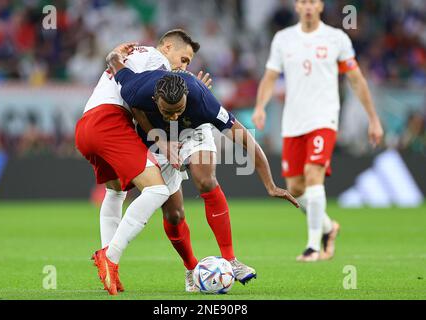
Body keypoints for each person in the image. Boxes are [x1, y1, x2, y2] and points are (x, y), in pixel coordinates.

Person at [105, 49, 300, 285]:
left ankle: (231, 260)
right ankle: (191, 269)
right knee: (174, 214)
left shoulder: (202, 100)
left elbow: (246, 140)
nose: (175, 116)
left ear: (187, 94)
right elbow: (115, 63)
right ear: (155, 99)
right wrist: (116, 53)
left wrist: (270, 184)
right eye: (168, 111)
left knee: (205, 179)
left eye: (179, 109)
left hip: (194, 130)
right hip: (157, 138)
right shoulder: (135, 88)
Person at [252, 0, 384, 262]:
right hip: (293, 122)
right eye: (303, 2)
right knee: (296, 188)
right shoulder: (283, 38)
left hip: (324, 118)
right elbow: (269, 77)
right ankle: (328, 227)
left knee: (314, 175)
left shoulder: (336, 38)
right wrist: (260, 107)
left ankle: (313, 246)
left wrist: (373, 118)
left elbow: (356, 79)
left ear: (321, 6)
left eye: (313, 1)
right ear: (297, 7)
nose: (308, 6)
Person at [75, 43, 171, 295]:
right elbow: (138, 101)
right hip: (110, 122)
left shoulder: (130, 53)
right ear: (168, 47)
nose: (183, 66)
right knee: (158, 190)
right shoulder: (158, 58)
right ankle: (111, 255)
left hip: (86, 126)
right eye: (184, 58)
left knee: (115, 192)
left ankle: (109, 271)